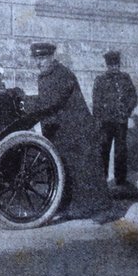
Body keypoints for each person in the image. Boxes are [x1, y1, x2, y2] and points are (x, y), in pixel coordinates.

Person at [23, 43, 111, 221]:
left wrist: (24, 101)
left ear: (51, 58)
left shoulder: (62, 75)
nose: (38, 63)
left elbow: (50, 102)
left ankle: (99, 210)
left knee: (85, 171)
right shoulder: (49, 74)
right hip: (63, 131)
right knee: (67, 170)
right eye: (36, 59)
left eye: (42, 59)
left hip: (78, 131)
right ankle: (72, 207)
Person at [92, 50, 138, 187]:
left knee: (121, 151)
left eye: (116, 65)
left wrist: (127, 110)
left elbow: (133, 97)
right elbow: (96, 102)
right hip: (105, 122)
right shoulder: (100, 80)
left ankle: (121, 180)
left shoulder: (125, 78)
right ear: (107, 65)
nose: (114, 68)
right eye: (111, 65)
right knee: (103, 150)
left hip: (120, 121)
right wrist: (98, 120)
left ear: (119, 65)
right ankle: (102, 179)